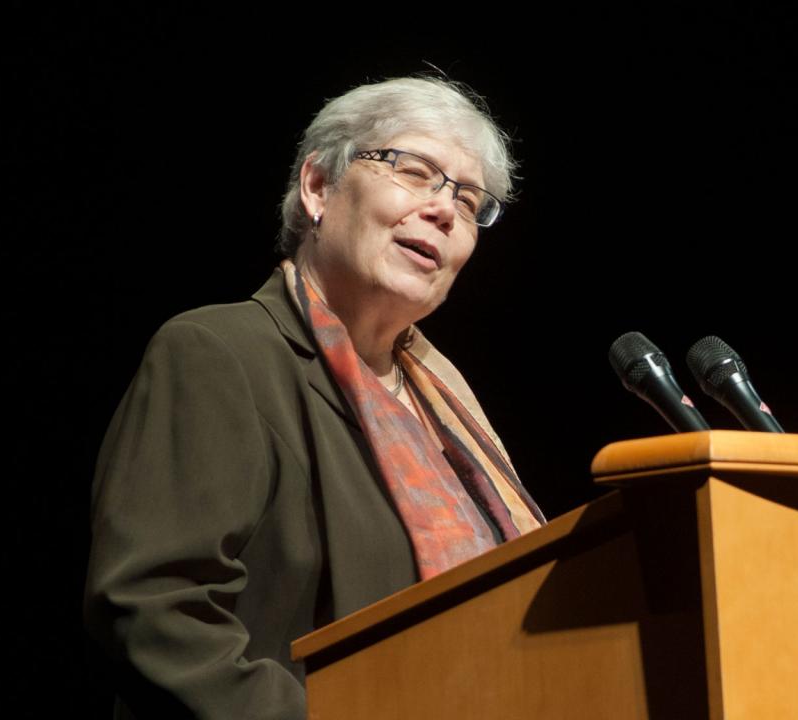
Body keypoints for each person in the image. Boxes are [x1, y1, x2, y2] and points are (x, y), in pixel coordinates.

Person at [84, 76, 544, 720]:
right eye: (414, 171)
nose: (444, 210)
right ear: (319, 188)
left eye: (470, 201)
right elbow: (155, 611)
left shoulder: (451, 412)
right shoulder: (221, 353)